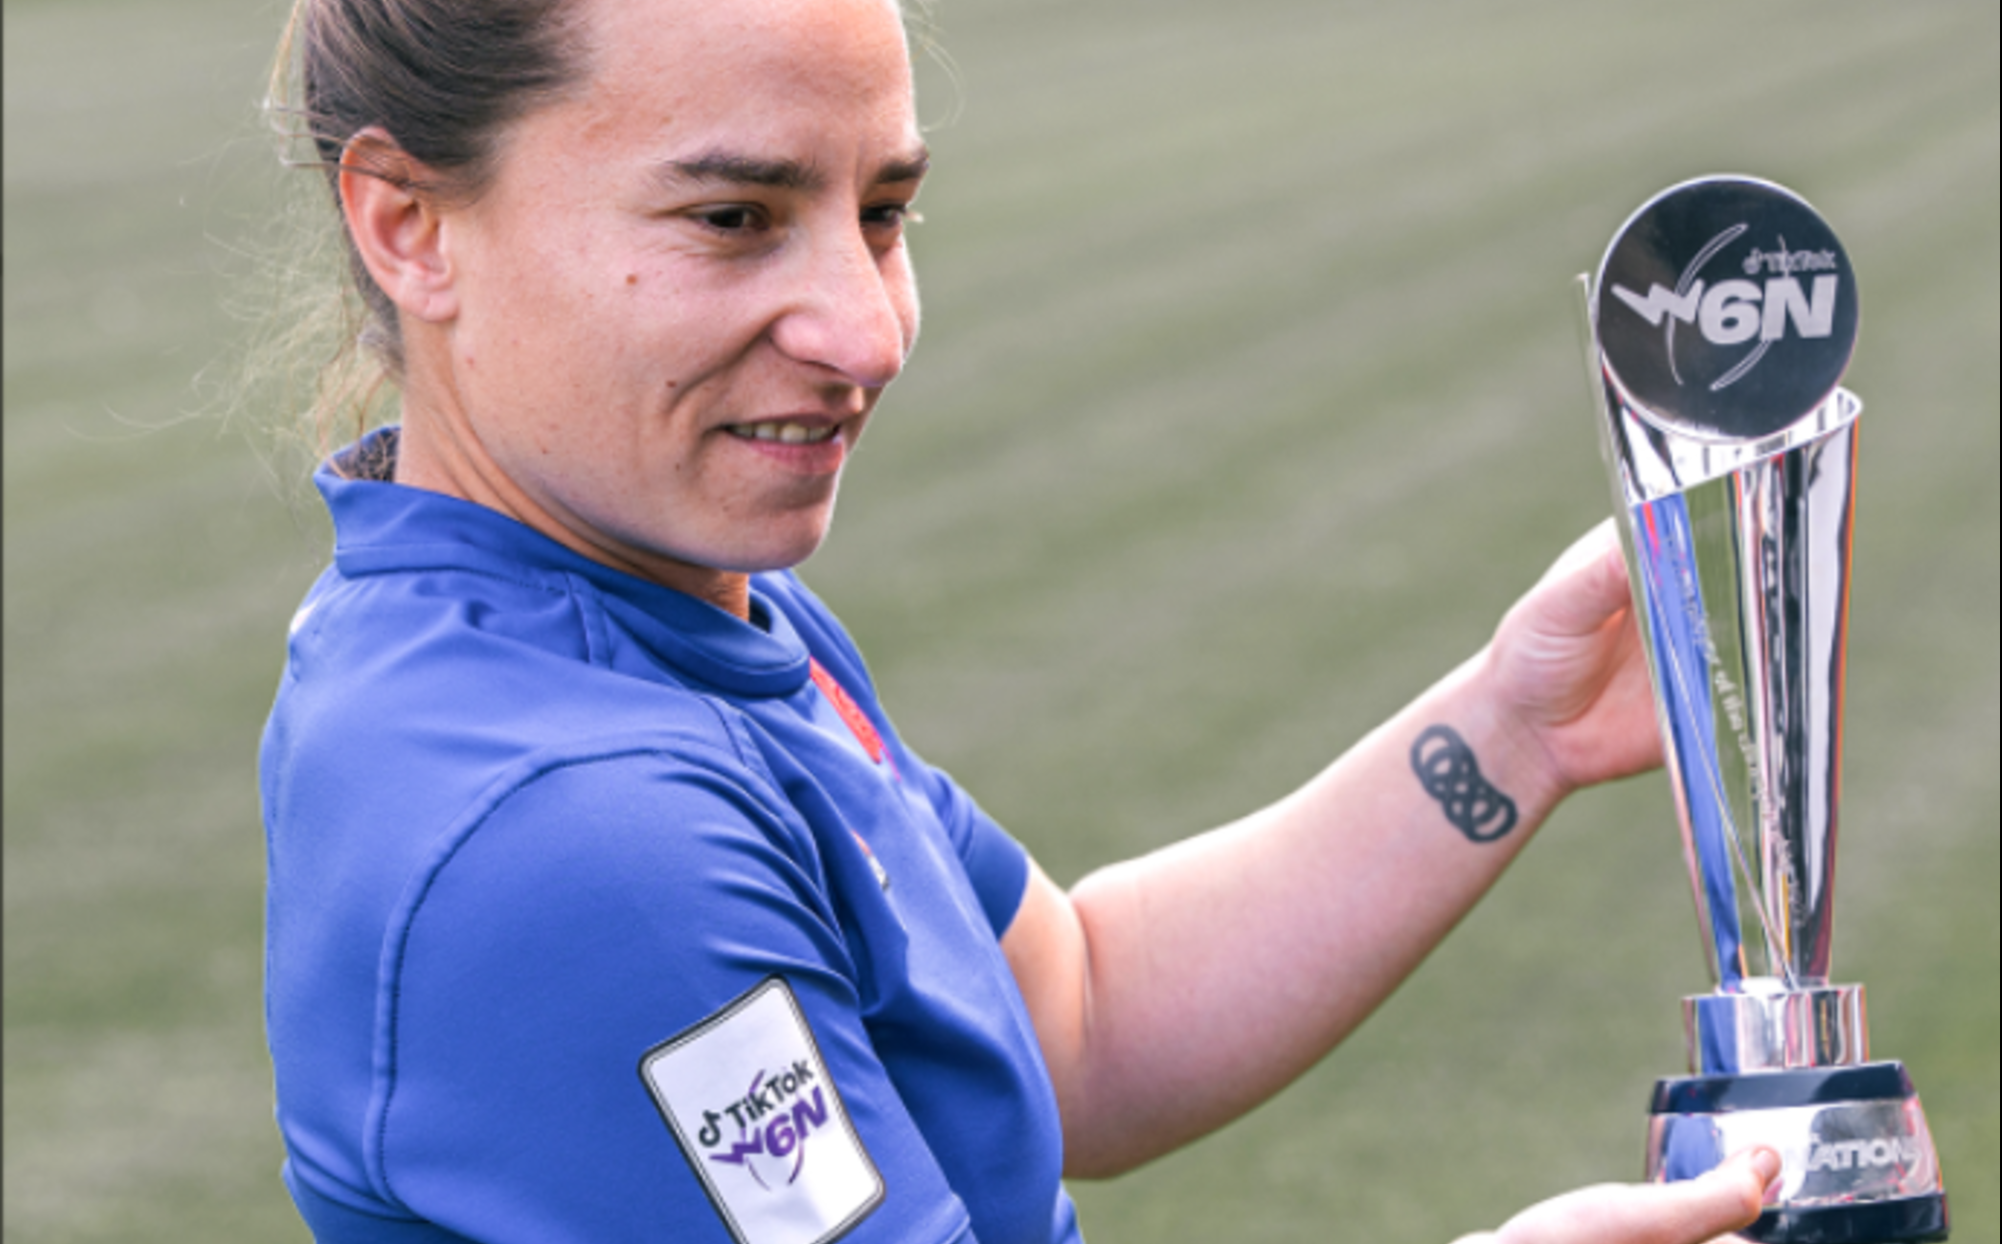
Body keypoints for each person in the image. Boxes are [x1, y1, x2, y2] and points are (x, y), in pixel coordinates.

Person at [256, 0, 1780, 1240]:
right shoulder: (575, 831)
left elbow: (1074, 1018)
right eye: (734, 215)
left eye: (885, 210)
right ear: (409, 225)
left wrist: (1512, 730)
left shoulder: (661, 614)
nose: (866, 330)